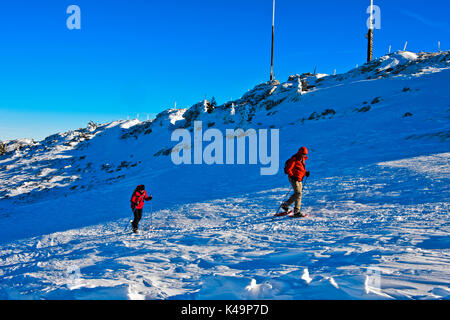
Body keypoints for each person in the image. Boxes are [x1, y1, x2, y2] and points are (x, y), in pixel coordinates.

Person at [281, 147, 310, 217]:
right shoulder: (294, 159)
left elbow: (301, 168)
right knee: (298, 193)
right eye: (303, 154)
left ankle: (286, 205)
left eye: (305, 154)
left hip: (299, 179)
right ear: (300, 153)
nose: (304, 155)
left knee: (298, 194)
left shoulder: (302, 159)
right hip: (293, 179)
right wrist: (293, 176)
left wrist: (305, 173)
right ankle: (296, 211)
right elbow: (288, 169)